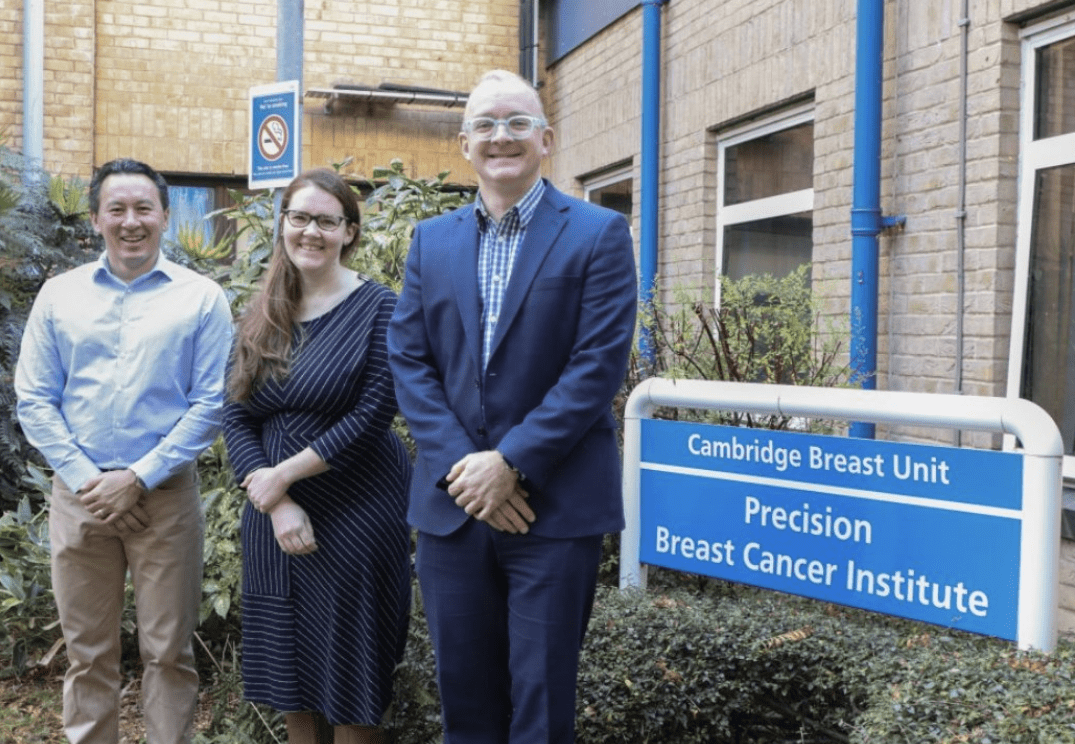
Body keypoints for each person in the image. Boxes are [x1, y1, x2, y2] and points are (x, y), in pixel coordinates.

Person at [387, 70, 638, 744]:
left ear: (546, 139)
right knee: (463, 705)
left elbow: (597, 366)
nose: (501, 136)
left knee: (542, 707)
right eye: (486, 125)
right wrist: (469, 472)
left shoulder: (599, 233)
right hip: (454, 508)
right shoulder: (429, 241)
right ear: (464, 143)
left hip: (554, 510)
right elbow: (409, 360)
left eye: (517, 122)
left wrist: (513, 464)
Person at [14, 158, 233, 743]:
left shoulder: (202, 298)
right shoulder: (60, 296)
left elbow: (209, 404)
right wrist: (94, 479)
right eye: (117, 209)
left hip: (164, 501)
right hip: (80, 498)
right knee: (88, 654)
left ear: (165, 215)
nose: (130, 221)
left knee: (169, 652)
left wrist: (137, 476)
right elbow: (34, 399)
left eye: (143, 209)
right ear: (95, 219)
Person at [222, 168, 411, 744]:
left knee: (353, 672)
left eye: (326, 221)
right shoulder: (263, 312)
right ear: (282, 225)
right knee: (289, 672)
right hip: (274, 516)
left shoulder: (381, 308)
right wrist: (275, 500)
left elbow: (374, 414)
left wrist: (281, 475)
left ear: (349, 233)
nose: (311, 231)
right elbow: (235, 413)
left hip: (359, 506)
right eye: (299, 218)